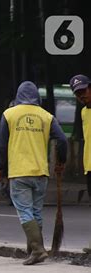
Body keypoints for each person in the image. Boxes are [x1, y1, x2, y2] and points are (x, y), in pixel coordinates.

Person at [0, 81, 67, 265]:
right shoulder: (46, 116)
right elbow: (62, 140)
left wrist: (0, 168)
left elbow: (1, 144)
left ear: (18, 96)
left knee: (25, 211)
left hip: (19, 172)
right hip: (41, 172)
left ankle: (37, 249)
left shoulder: (9, 114)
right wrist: (61, 161)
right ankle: (34, 249)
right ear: (37, 96)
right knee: (35, 211)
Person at [69, 74, 91, 254]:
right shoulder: (84, 112)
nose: (82, 95)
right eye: (78, 94)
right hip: (89, 166)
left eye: (84, 91)